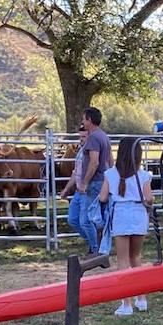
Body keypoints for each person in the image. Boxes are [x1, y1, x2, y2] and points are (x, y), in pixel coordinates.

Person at [100, 137, 155, 316]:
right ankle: (142, 299)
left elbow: (102, 198)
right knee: (136, 257)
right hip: (139, 215)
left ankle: (126, 303)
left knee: (122, 260)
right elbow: (149, 198)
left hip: (121, 215)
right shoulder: (144, 175)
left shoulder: (110, 174)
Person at [60, 107, 113, 255]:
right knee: (81, 219)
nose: (83, 122)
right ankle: (96, 245)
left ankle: (97, 250)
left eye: (84, 119)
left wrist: (84, 182)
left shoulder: (95, 137)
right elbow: (109, 160)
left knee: (87, 219)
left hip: (94, 183)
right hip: (97, 182)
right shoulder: (103, 136)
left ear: (89, 120)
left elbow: (94, 163)